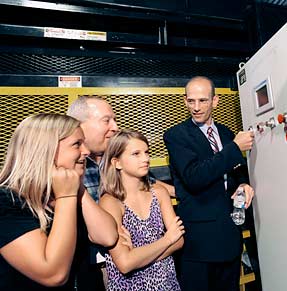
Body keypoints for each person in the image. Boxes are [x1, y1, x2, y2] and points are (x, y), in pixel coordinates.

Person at [66, 96, 175, 289]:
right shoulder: (71, 167)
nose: (115, 126)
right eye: (106, 120)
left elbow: (150, 184)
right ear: (80, 125)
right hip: (88, 265)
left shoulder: (114, 161)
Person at [163, 76, 255, 291]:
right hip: (200, 242)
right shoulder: (176, 136)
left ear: (215, 101)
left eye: (203, 101)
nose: (196, 107)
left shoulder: (225, 133)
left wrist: (243, 184)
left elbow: (238, 169)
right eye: (190, 101)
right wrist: (233, 148)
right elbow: (194, 178)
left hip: (229, 234)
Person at [0, 113, 89, 290]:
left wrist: (76, 190)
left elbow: (108, 236)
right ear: (45, 149)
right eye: (77, 144)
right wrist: (66, 197)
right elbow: (53, 274)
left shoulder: (60, 193)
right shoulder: (5, 201)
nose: (86, 151)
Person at [99, 129, 185, 291]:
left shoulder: (159, 193)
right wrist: (167, 240)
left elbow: (179, 240)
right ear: (117, 163)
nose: (145, 158)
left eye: (146, 152)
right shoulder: (110, 202)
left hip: (167, 283)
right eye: (136, 154)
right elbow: (124, 264)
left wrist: (138, 257)